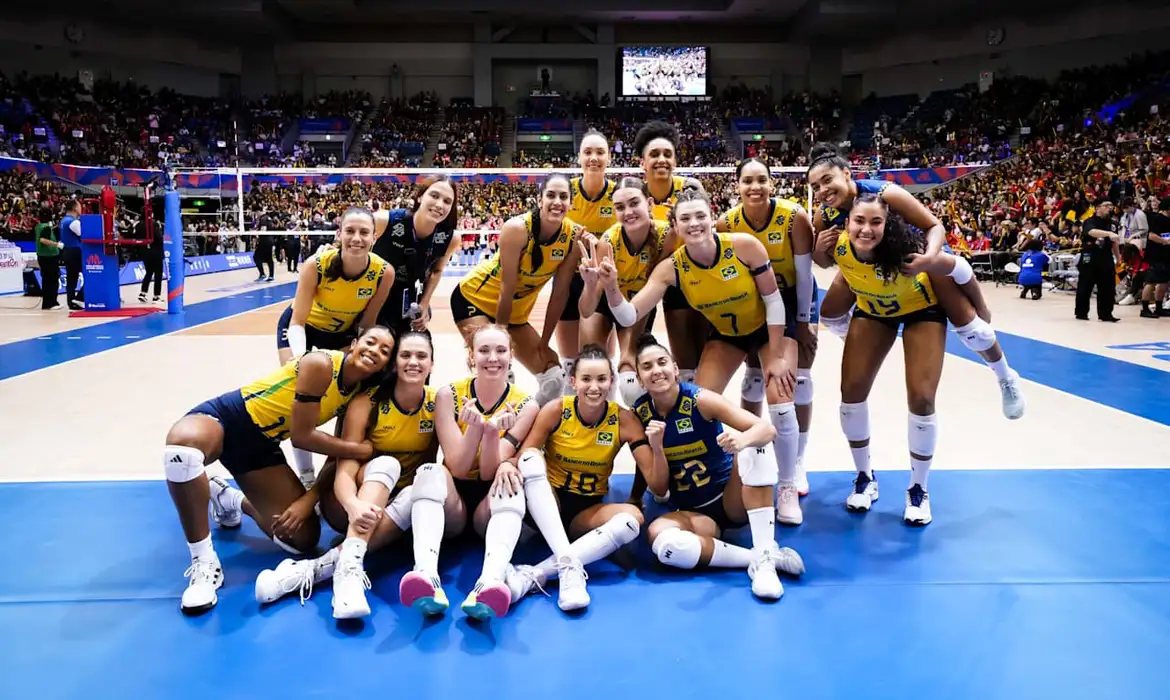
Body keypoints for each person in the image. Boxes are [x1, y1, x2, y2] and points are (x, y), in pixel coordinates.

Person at [591, 188, 804, 525]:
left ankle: (788, 485)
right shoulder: (670, 268)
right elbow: (630, 316)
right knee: (697, 400)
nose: (694, 223)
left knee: (779, 393)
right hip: (728, 334)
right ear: (674, 225)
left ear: (711, 218)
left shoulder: (744, 246)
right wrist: (613, 287)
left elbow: (775, 301)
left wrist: (776, 354)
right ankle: (697, 479)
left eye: (700, 216)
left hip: (769, 327)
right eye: (685, 218)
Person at [162, 326, 396, 614]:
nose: (375, 351)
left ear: (387, 364)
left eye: (385, 351)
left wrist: (306, 501)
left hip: (260, 447)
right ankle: (204, 562)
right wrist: (361, 450)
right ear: (355, 342)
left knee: (303, 540)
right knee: (181, 453)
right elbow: (302, 437)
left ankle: (232, 500)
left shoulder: (360, 394)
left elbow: (337, 455)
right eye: (370, 342)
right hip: (229, 418)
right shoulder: (321, 364)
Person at [807, 143, 1026, 420]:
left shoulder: (886, 193)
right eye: (816, 186)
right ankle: (857, 338)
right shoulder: (823, 216)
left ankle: (1005, 376)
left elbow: (934, 227)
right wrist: (818, 250)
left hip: (917, 260)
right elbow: (826, 262)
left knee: (973, 328)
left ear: (847, 174)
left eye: (828, 180)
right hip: (872, 267)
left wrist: (929, 259)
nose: (823, 190)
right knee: (830, 312)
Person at [253, 331, 436, 619]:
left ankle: (317, 569)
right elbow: (344, 471)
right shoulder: (367, 403)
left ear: (432, 364)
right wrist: (353, 506)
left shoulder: (438, 404)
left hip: (395, 508)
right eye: (405, 355)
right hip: (350, 503)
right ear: (394, 363)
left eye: (421, 356)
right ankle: (348, 575)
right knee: (386, 464)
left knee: (423, 485)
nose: (413, 362)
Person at [631, 336, 803, 600]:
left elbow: (766, 429)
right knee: (662, 542)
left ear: (675, 369)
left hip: (731, 499)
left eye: (662, 362)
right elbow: (659, 487)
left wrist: (741, 440)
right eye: (647, 366)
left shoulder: (700, 400)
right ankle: (761, 557)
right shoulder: (640, 413)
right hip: (693, 512)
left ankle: (766, 562)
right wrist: (656, 446)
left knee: (754, 447)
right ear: (640, 379)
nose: (656, 370)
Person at [811, 194, 948, 525]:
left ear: (888, 225)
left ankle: (919, 487)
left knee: (922, 397)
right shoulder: (841, 248)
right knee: (851, 393)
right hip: (874, 312)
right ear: (847, 223)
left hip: (922, 310)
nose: (867, 229)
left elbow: (960, 272)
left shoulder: (909, 250)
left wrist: (978, 324)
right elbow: (824, 280)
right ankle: (864, 477)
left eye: (876, 222)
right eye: (859, 220)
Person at [399, 324, 540, 620]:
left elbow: (490, 472)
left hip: (487, 511)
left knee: (511, 486)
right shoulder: (448, 394)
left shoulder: (526, 405)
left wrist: (490, 432)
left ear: (511, 356)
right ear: (471, 357)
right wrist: (476, 427)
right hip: (453, 504)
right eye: (484, 350)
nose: (493, 358)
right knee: (428, 472)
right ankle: (425, 575)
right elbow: (459, 467)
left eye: (501, 350)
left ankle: (489, 581)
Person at [499, 345, 650, 613]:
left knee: (632, 520)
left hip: (587, 513)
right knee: (531, 460)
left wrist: (637, 494)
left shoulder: (624, 420)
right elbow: (525, 455)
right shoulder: (557, 410)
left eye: (602, 379)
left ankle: (537, 572)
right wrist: (506, 463)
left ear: (612, 381)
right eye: (586, 379)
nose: (594, 387)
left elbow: (653, 476)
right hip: (548, 503)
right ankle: (569, 568)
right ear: (573, 381)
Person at [716, 158, 817, 501]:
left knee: (795, 378)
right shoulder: (727, 222)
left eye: (762, 179)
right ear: (738, 186)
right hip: (752, 301)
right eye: (748, 181)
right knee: (754, 377)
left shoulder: (794, 217)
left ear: (772, 184)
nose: (755, 186)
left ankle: (797, 461)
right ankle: (754, 447)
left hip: (791, 297)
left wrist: (803, 321)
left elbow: (804, 276)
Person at [276, 207, 394, 485]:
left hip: (343, 334)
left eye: (364, 232)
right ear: (339, 234)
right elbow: (297, 320)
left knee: (348, 394)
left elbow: (368, 324)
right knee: (301, 395)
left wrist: (357, 353)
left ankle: (339, 464)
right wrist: (303, 360)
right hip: (303, 328)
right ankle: (306, 476)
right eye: (350, 231)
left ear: (374, 237)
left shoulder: (382, 272)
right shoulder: (316, 265)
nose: (357, 238)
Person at [451, 174, 585, 405]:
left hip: (515, 314)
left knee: (554, 376)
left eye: (564, 196)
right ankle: (485, 428)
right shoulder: (517, 228)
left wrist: (544, 342)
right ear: (539, 199)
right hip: (474, 300)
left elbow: (560, 293)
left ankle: (526, 421)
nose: (557, 201)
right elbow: (507, 287)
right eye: (551, 195)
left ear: (571, 203)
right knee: (497, 367)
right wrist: (500, 338)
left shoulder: (573, 236)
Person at [577, 176, 672, 407]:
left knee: (629, 371)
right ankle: (600, 419)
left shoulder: (667, 236)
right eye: (620, 207)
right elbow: (587, 310)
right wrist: (590, 285)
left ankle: (641, 430)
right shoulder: (608, 242)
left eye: (634, 203)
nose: (627, 211)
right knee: (592, 361)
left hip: (639, 305)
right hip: (607, 301)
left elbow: (654, 291)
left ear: (649, 203)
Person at [633, 120, 707, 385]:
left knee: (695, 363)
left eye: (667, 154)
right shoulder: (635, 197)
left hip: (690, 276)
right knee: (633, 353)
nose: (661, 159)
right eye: (654, 155)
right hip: (646, 277)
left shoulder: (691, 189)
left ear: (675, 160)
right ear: (642, 162)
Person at [558, 130, 621, 383]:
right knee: (569, 363)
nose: (594, 158)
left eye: (600, 152)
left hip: (605, 283)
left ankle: (609, 406)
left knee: (601, 357)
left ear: (609, 158)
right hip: (569, 280)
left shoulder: (618, 196)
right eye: (588, 152)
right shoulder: (565, 192)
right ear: (579, 158)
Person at [372, 177, 461, 336]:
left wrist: (425, 303)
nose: (440, 204)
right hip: (371, 295)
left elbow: (436, 270)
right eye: (434, 196)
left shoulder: (450, 238)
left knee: (417, 351)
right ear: (420, 196)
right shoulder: (383, 221)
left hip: (406, 298)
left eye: (447, 201)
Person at [1074, 198, 1121, 322]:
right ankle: (1081, 312)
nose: (1109, 208)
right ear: (1097, 208)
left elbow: (1115, 241)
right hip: (1090, 255)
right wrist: (1108, 234)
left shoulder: (1113, 224)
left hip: (1106, 256)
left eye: (1110, 205)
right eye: (1106, 205)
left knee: (1108, 287)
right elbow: (1091, 232)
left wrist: (1118, 257)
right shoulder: (1090, 221)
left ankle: (1106, 313)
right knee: (1085, 285)